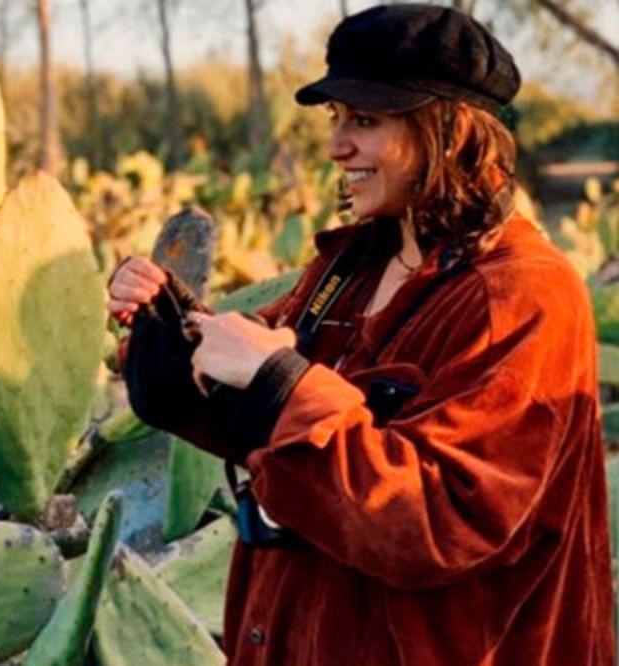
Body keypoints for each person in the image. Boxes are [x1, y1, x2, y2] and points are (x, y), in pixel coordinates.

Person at [107, 4, 615, 665]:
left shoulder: (520, 294)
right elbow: (263, 428)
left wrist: (278, 382)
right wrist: (170, 336)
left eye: (366, 121)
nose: (336, 147)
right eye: (336, 120)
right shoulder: (349, 265)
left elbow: (442, 520)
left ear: (450, 132)